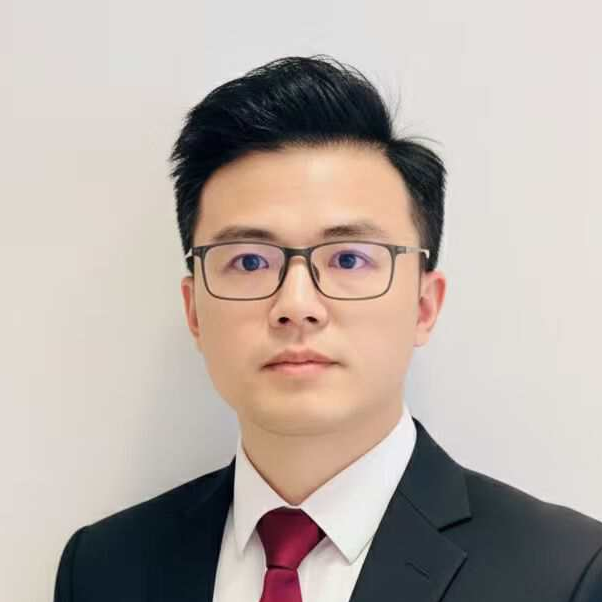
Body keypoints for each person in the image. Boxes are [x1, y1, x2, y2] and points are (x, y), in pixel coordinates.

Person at [54, 55, 602, 602]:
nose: (296, 305)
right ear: (194, 310)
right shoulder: (103, 568)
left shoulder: (567, 575)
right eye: (249, 261)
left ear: (424, 306)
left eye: (348, 259)